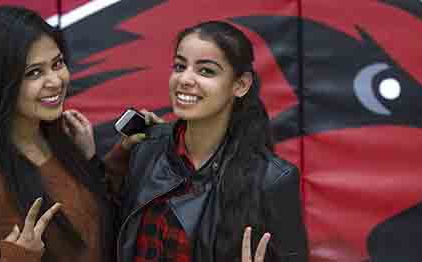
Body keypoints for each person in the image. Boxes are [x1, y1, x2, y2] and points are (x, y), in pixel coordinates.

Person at [105, 20, 309, 262]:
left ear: (240, 84)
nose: (185, 79)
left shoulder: (272, 179)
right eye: (180, 66)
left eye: (206, 71)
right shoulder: (145, 148)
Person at [0, 5, 118, 262]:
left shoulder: (60, 141)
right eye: (34, 73)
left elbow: (95, 230)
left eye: (57, 64)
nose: (55, 80)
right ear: (0, 84)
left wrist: (93, 163)